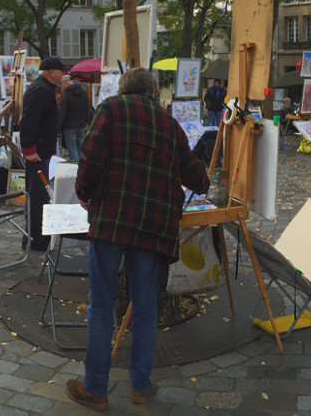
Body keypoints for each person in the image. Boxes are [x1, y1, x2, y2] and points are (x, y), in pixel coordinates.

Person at [67, 68, 209, 411]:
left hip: (112, 220)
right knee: (145, 308)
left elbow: (89, 159)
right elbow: (196, 178)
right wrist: (204, 175)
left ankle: (96, 390)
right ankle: (139, 387)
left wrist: (84, 194)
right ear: (151, 91)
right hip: (152, 226)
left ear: (123, 89)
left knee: (101, 305)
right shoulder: (168, 123)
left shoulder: (111, 110)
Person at [20, 57, 65, 252]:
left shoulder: (43, 88)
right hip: (36, 154)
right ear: (52, 72)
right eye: (61, 71)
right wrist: (30, 151)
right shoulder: (41, 90)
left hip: (41, 152)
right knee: (38, 197)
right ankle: (35, 239)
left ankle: (35, 236)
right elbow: (29, 122)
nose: (63, 75)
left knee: (40, 196)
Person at [57, 74, 92, 163]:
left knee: (72, 148)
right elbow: (87, 109)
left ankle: (75, 168)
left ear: (64, 83)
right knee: (80, 148)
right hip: (81, 125)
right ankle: (82, 167)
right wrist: (86, 122)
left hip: (69, 126)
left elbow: (62, 112)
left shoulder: (66, 94)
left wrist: (58, 127)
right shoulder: (83, 92)